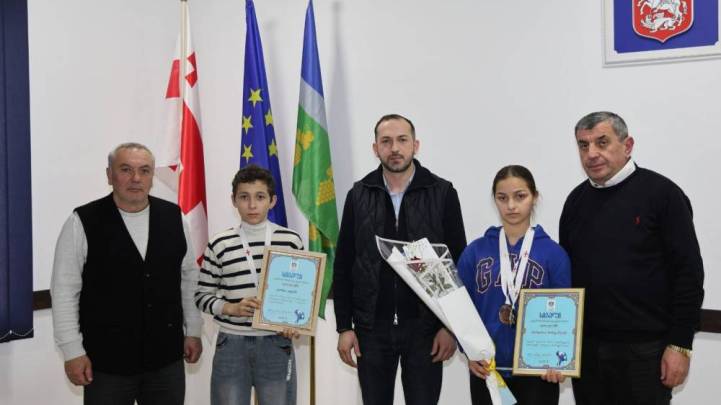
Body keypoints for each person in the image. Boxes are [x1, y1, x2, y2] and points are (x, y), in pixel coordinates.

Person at [559, 111, 705, 405]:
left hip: (645, 352)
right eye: (584, 145)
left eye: (602, 142)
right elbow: (568, 279)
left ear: (627, 146)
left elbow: (688, 274)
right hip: (587, 353)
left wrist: (680, 345)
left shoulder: (663, 195)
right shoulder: (575, 202)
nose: (592, 153)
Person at [50, 143, 203, 404]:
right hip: (106, 363)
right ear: (109, 175)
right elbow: (64, 291)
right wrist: (72, 351)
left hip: (165, 360)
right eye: (125, 169)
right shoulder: (82, 221)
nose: (136, 178)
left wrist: (194, 330)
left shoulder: (174, 217)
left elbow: (189, 279)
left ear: (152, 177)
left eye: (144, 170)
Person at [333, 114, 467, 405]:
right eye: (386, 141)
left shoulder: (442, 192)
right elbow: (343, 265)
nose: (394, 148)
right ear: (375, 148)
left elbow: (457, 263)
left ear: (415, 145)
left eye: (402, 140)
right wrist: (344, 326)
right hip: (371, 330)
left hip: (426, 329)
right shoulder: (358, 194)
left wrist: (450, 327)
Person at [456, 165, 571, 405]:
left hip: (538, 372)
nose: (511, 205)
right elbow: (460, 310)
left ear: (534, 197)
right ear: (494, 200)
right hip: (488, 369)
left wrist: (558, 360)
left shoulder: (554, 254)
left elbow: (564, 313)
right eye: (502, 198)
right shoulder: (474, 252)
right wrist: (469, 351)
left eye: (520, 196)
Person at [194, 164, 303, 405]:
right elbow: (201, 295)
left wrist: (293, 323)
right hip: (231, 344)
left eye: (260, 197)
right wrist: (230, 308)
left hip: (276, 342)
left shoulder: (290, 241)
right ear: (234, 201)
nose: (252, 205)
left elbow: (301, 294)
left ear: (272, 201)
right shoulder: (220, 243)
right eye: (244, 197)